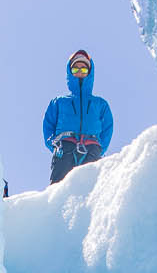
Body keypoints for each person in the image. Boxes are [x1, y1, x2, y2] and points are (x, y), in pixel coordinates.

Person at [42, 49, 114, 184]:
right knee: (59, 186)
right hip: (65, 147)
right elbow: (48, 126)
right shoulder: (59, 102)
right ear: (70, 73)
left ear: (89, 72)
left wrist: (99, 148)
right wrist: (54, 145)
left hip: (91, 148)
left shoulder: (100, 104)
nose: (80, 72)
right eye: (75, 69)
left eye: (83, 69)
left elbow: (107, 129)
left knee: (90, 188)